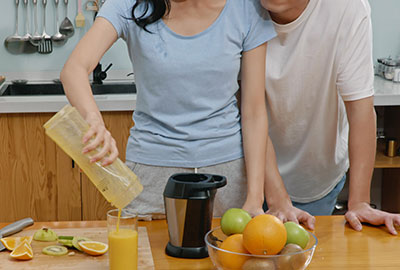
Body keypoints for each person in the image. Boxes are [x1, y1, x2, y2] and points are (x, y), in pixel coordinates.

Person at [60, 0, 277, 218]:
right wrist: (93, 120)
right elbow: (74, 69)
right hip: (151, 175)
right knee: (145, 252)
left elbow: (254, 112)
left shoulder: (245, 8)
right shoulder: (129, 5)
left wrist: (255, 198)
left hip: (227, 177)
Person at [259, 0, 400, 234]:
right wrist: (275, 197)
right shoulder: (238, 8)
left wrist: (360, 202)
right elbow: (245, 111)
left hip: (315, 176)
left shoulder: (347, 8)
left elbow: (361, 111)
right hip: (249, 175)